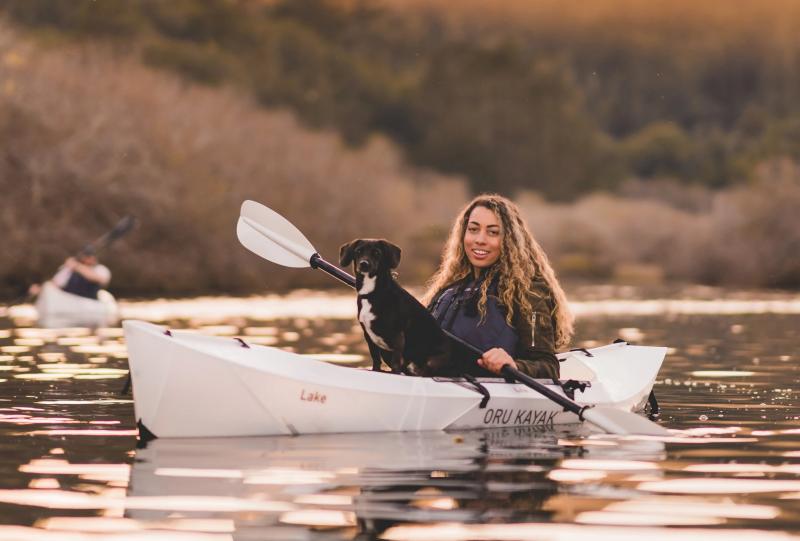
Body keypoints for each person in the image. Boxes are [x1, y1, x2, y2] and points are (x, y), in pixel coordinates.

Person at [422, 194, 574, 379]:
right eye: (473, 229)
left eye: (493, 232)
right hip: (437, 384)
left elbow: (548, 367)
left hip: (492, 395)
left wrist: (514, 366)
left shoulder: (529, 292)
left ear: (509, 240)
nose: (480, 239)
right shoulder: (449, 289)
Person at [28, 247, 111, 300]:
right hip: (70, 298)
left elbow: (100, 279)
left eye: (90, 256)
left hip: (90, 299)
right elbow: (55, 283)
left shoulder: (101, 269)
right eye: (86, 256)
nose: (88, 259)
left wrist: (77, 266)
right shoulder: (69, 269)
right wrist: (41, 289)